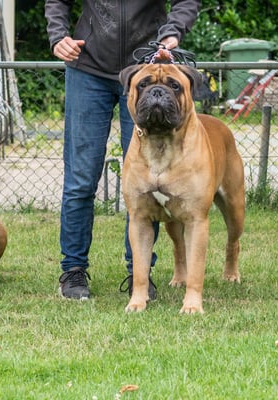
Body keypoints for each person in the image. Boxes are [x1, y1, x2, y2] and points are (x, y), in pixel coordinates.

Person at [45, 0, 202, 300]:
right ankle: (73, 271)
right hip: (87, 69)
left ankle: (139, 275)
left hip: (147, 68)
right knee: (80, 180)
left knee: (150, 182)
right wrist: (57, 36)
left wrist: (172, 32)